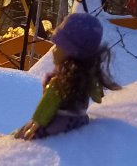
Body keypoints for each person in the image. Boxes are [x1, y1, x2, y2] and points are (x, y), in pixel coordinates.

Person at [13, 12, 120, 140]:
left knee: (27, 134)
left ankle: (11, 142)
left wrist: (37, 122)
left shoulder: (59, 82)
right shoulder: (85, 78)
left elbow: (47, 105)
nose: (53, 50)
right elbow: (97, 97)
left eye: (58, 46)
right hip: (79, 121)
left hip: (57, 124)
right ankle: (8, 139)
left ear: (72, 52)